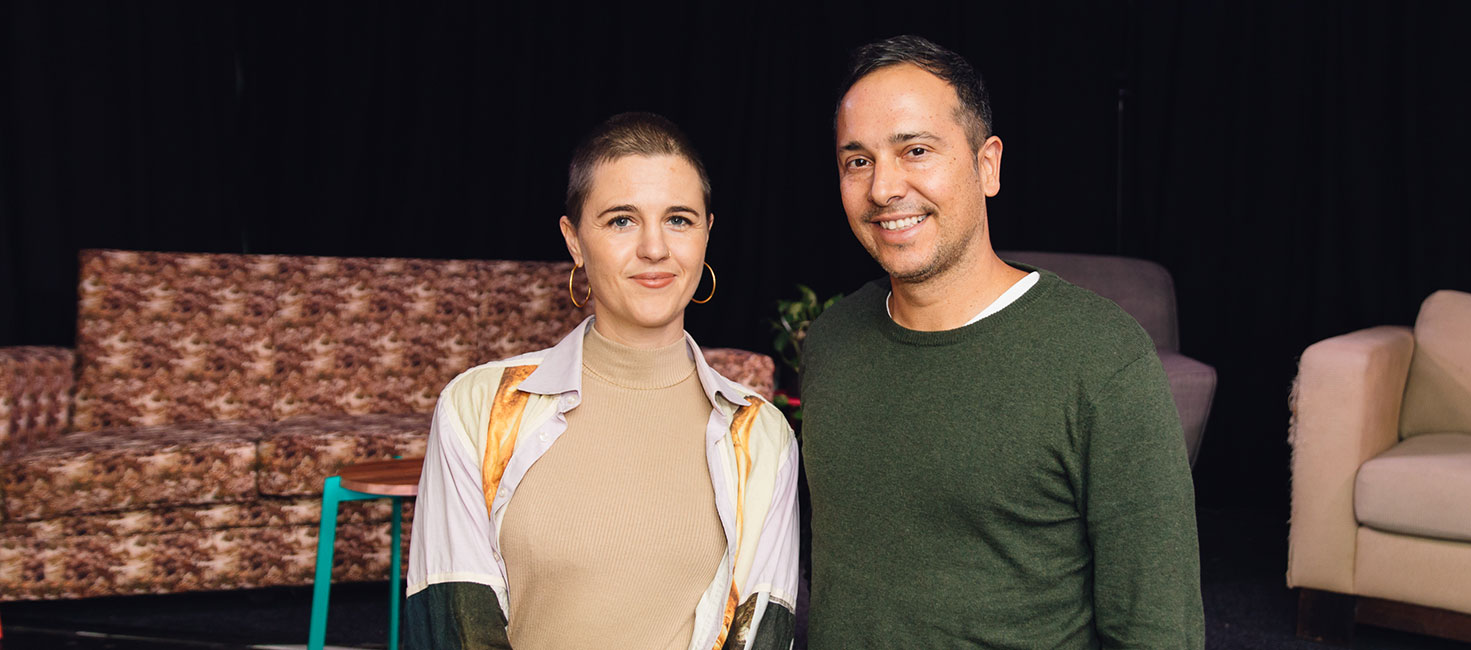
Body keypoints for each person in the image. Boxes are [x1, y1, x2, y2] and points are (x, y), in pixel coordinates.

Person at [800, 35, 1204, 648]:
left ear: (986, 166)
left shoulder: (1101, 359)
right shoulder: (831, 343)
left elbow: (1157, 627)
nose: (883, 188)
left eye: (915, 150)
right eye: (858, 160)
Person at [404, 112, 798, 650]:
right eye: (621, 220)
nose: (655, 248)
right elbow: (451, 631)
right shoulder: (478, 409)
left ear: (708, 232)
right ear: (574, 240)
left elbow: (762, 638)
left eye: (679, 219)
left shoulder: (761, 435)